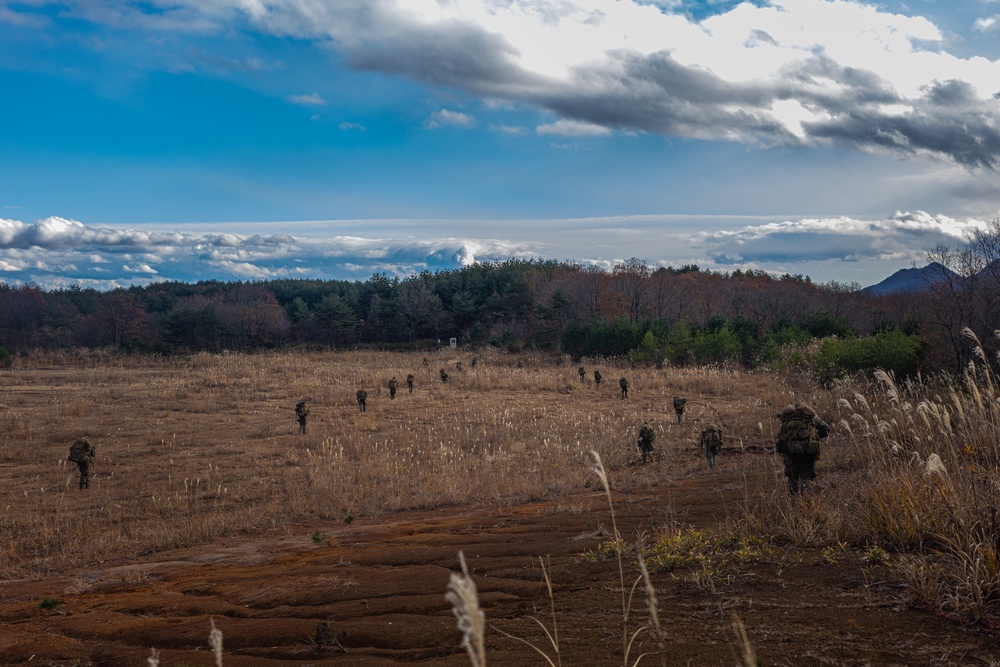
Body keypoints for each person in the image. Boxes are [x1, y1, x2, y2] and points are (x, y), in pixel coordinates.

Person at [775, 403, 830, 494]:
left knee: (792, 478)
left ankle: (793, 501)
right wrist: (814, 438)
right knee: (807, 478)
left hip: (790, 451)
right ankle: (807, 502)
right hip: (808, 451)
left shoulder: (787, 417)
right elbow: (826, 429)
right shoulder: (811, 417)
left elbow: (780, 434)